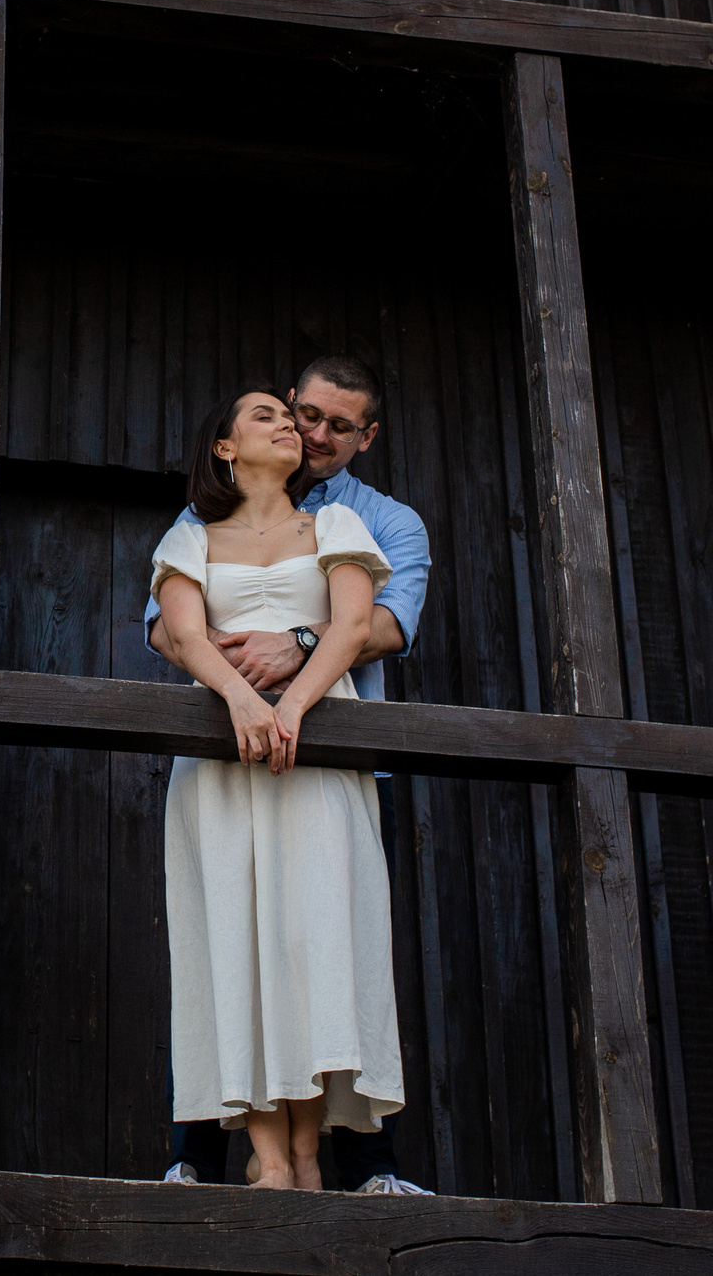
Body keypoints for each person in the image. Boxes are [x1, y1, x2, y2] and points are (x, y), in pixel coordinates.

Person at [147, 356, 431, 1193]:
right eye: (292, 414)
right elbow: (171, 630)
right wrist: (240, 696)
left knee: (322, 945)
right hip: (228, 752)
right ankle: (224, 1160)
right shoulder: (193, 528)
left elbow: (371, 625)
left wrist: (296, 683)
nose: (307, 432)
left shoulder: (373, 523)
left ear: (365, 436)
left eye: (333, 425)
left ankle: (338, 1163)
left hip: (322, 749)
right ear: (227, 446)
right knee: (232, 937)